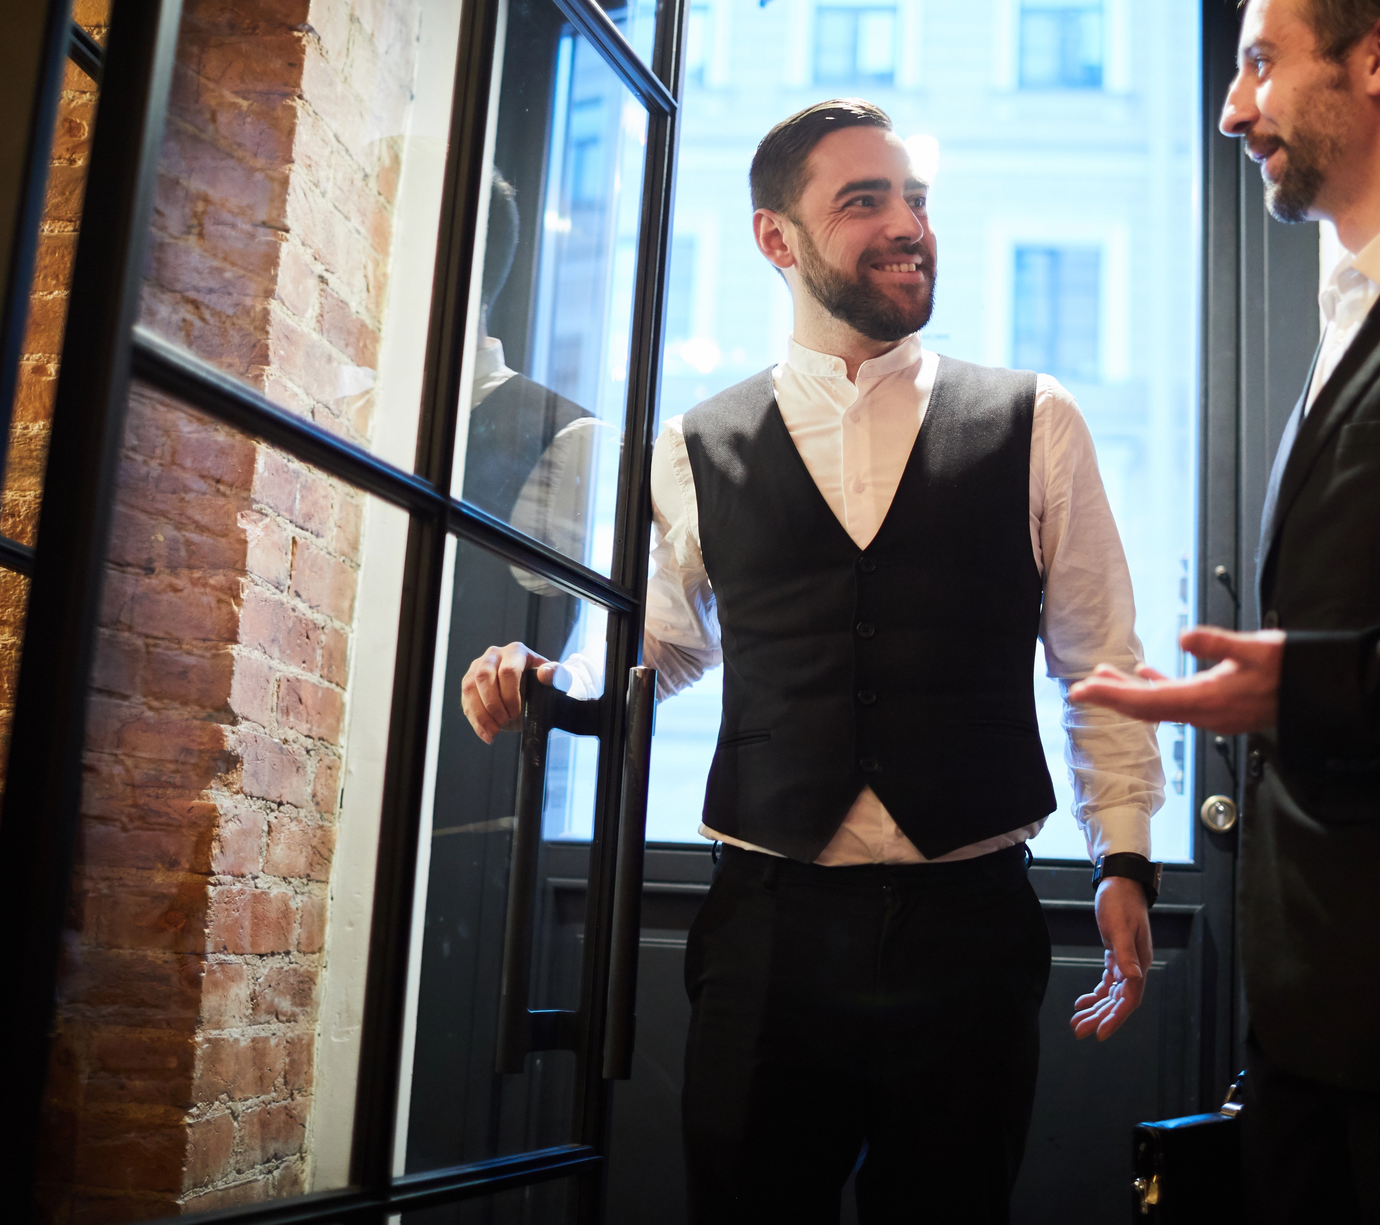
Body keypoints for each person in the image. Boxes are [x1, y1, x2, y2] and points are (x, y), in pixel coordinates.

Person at [459, 98, 1165, 1223]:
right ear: (774, 238)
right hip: (766, 934)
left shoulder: (1036, 419)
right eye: (864, 200)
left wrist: (1120, 855)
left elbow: (1101, 662)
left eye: (915, 201)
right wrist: (547, 683)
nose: (906, 226)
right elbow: (654, 651)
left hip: (970, 929)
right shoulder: (694, 445)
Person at [1070, 0, 1380, 1224]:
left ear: (1378, 56)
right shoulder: (1355, 308)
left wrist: (1308, 691)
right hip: (1306, 1022)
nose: (1235, 109)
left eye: (1260, 64)